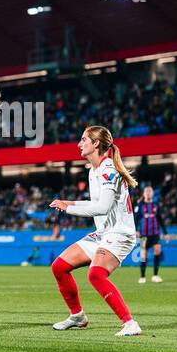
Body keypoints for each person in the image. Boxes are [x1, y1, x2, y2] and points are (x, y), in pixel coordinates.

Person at [48, 126, 143, 336]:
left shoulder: (108, 170)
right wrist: (68, 202)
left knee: (96, 274)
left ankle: (130, 323)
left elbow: (102, 208)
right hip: (104, 232)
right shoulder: (94, 171)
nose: (79, 144)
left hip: (120, 233)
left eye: (83, 140)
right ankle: (78, 316)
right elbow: (95, 202)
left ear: (96, 144)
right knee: (59, 267)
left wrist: (69, 208)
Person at [133, 186, 164, 283]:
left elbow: (160, 219)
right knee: (143, 256)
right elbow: (136, 219)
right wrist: (136, 230)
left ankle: (155, 275)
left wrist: (165, 232)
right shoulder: (140, 205)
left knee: (157, 251)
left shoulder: (156, 205)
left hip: (155, 233)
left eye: (150, 191)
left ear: (153, 194)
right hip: (144, 234)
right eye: (147, 191)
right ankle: (142, 276)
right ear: (144, 193)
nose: (148, 193)